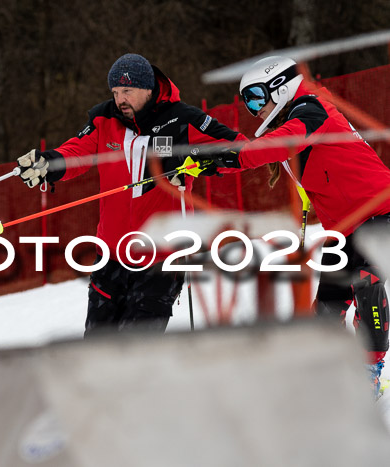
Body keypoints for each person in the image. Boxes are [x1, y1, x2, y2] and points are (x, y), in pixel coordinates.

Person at [188, 55, 390, 397]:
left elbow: (271, 147)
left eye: (256, 96)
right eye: (247, 102)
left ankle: (369, 371)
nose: (254, 108)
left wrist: (225, 158)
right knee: (327, 303)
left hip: (379, 212)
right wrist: (208, 166)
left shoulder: (312, 109)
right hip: (344, 226)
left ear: (281, 87)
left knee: (365, 286)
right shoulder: (296, 119)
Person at [16, 53, 246, 336]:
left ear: (148, 88)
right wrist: (48, 164)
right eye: (115, 92)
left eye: (127, 91)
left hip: (161, 258)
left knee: (134, 352)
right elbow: (75, 152)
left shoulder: (183, 119)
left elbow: (241, 149)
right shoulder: (104, 119)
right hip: (111, 256)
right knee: (96, 349)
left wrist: (198, 161)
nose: (120, 99)